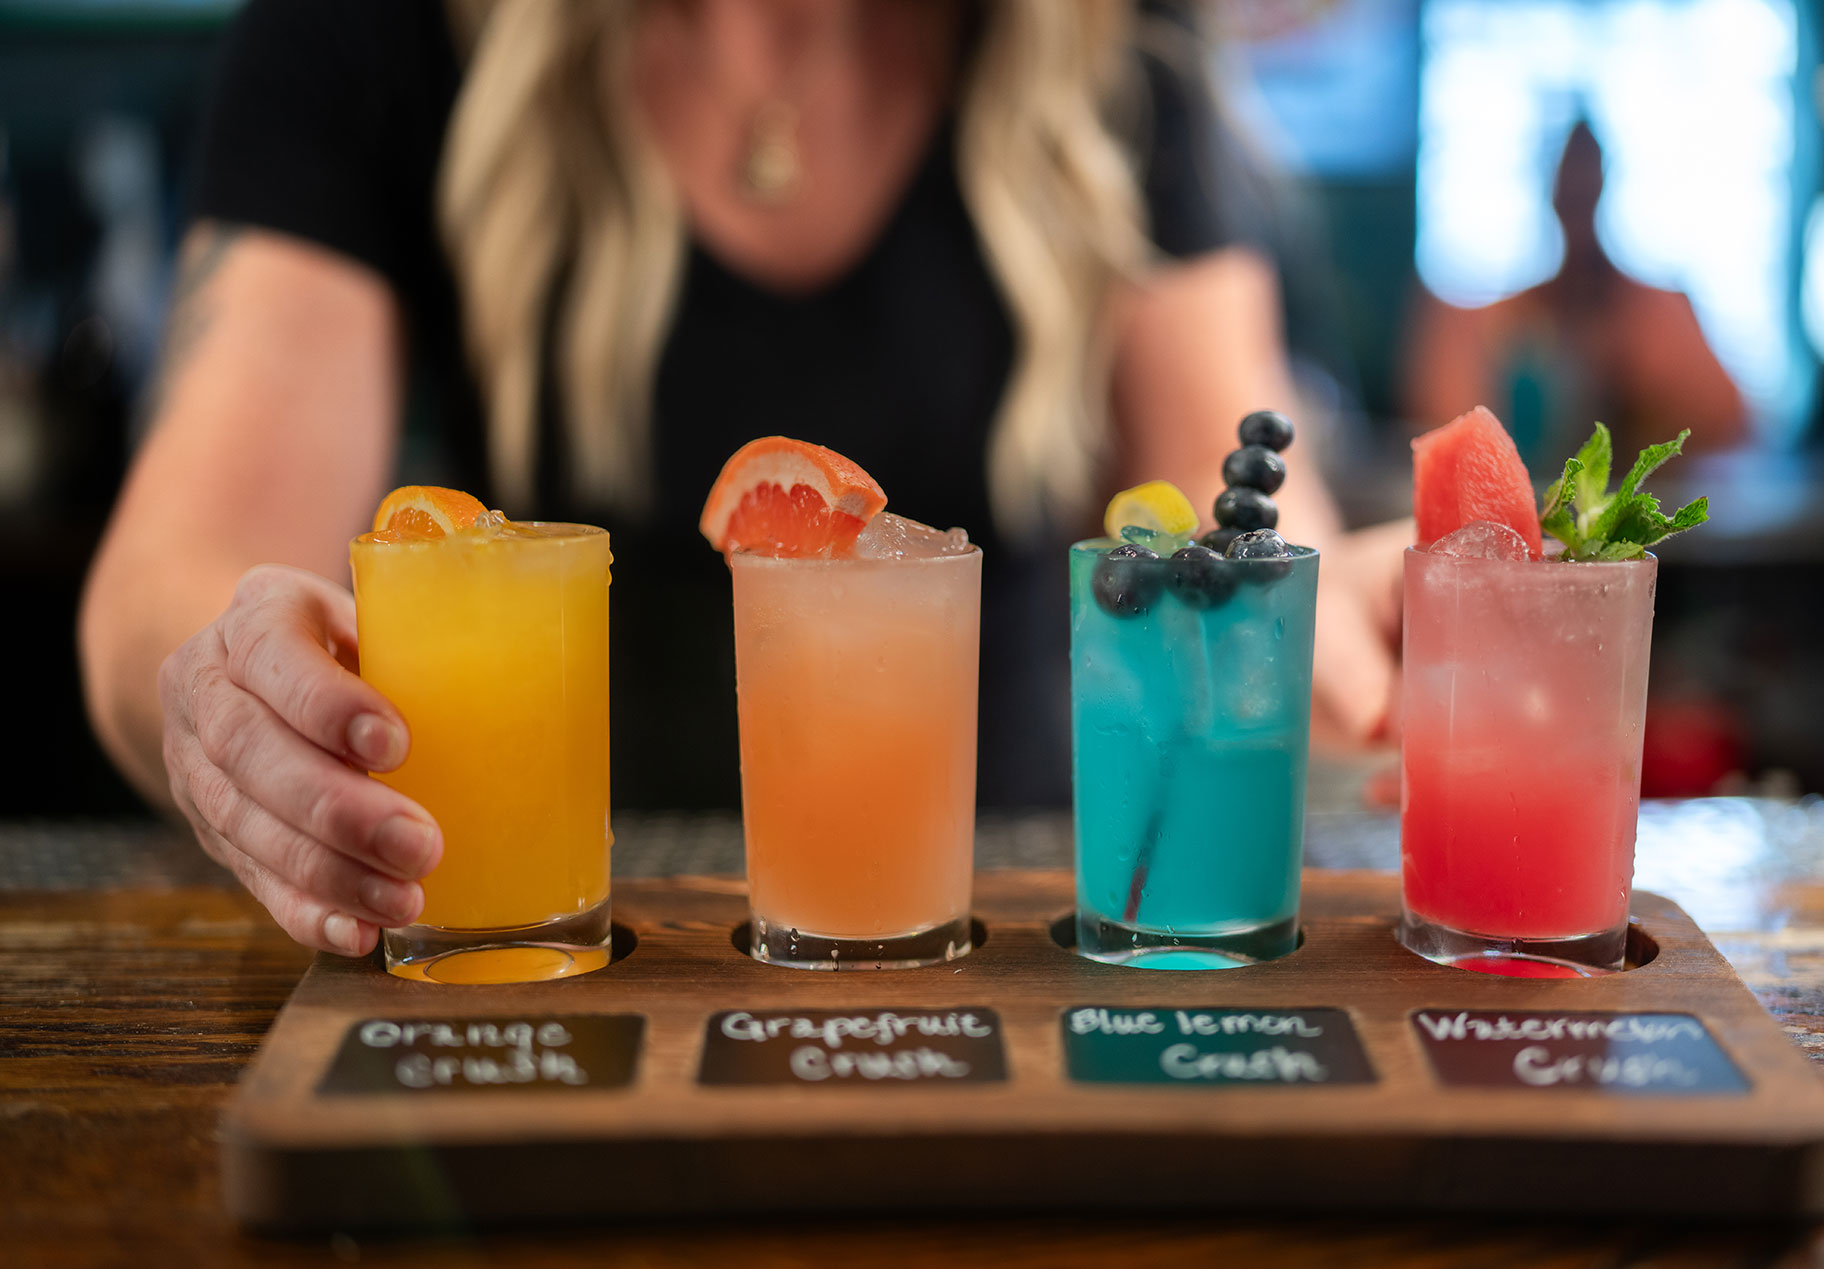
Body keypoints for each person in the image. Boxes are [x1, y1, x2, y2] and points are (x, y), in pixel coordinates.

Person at [78, 0, 1408, 959]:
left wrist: (1317, 622)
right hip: (537, 925)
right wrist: (230, 695)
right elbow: (177, 573)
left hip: (991, 915)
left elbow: (1211, 501)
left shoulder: (1109, 38)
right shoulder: (374, 31)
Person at [1401, 120, 1747, 472]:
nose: (1577, 200)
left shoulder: (1648, 312)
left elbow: (1729, 415)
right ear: (1553, 194)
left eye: (1585, 188)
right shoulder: (1509, 316)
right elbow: (1443, 414)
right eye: (1570, 190)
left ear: (1602, 189)